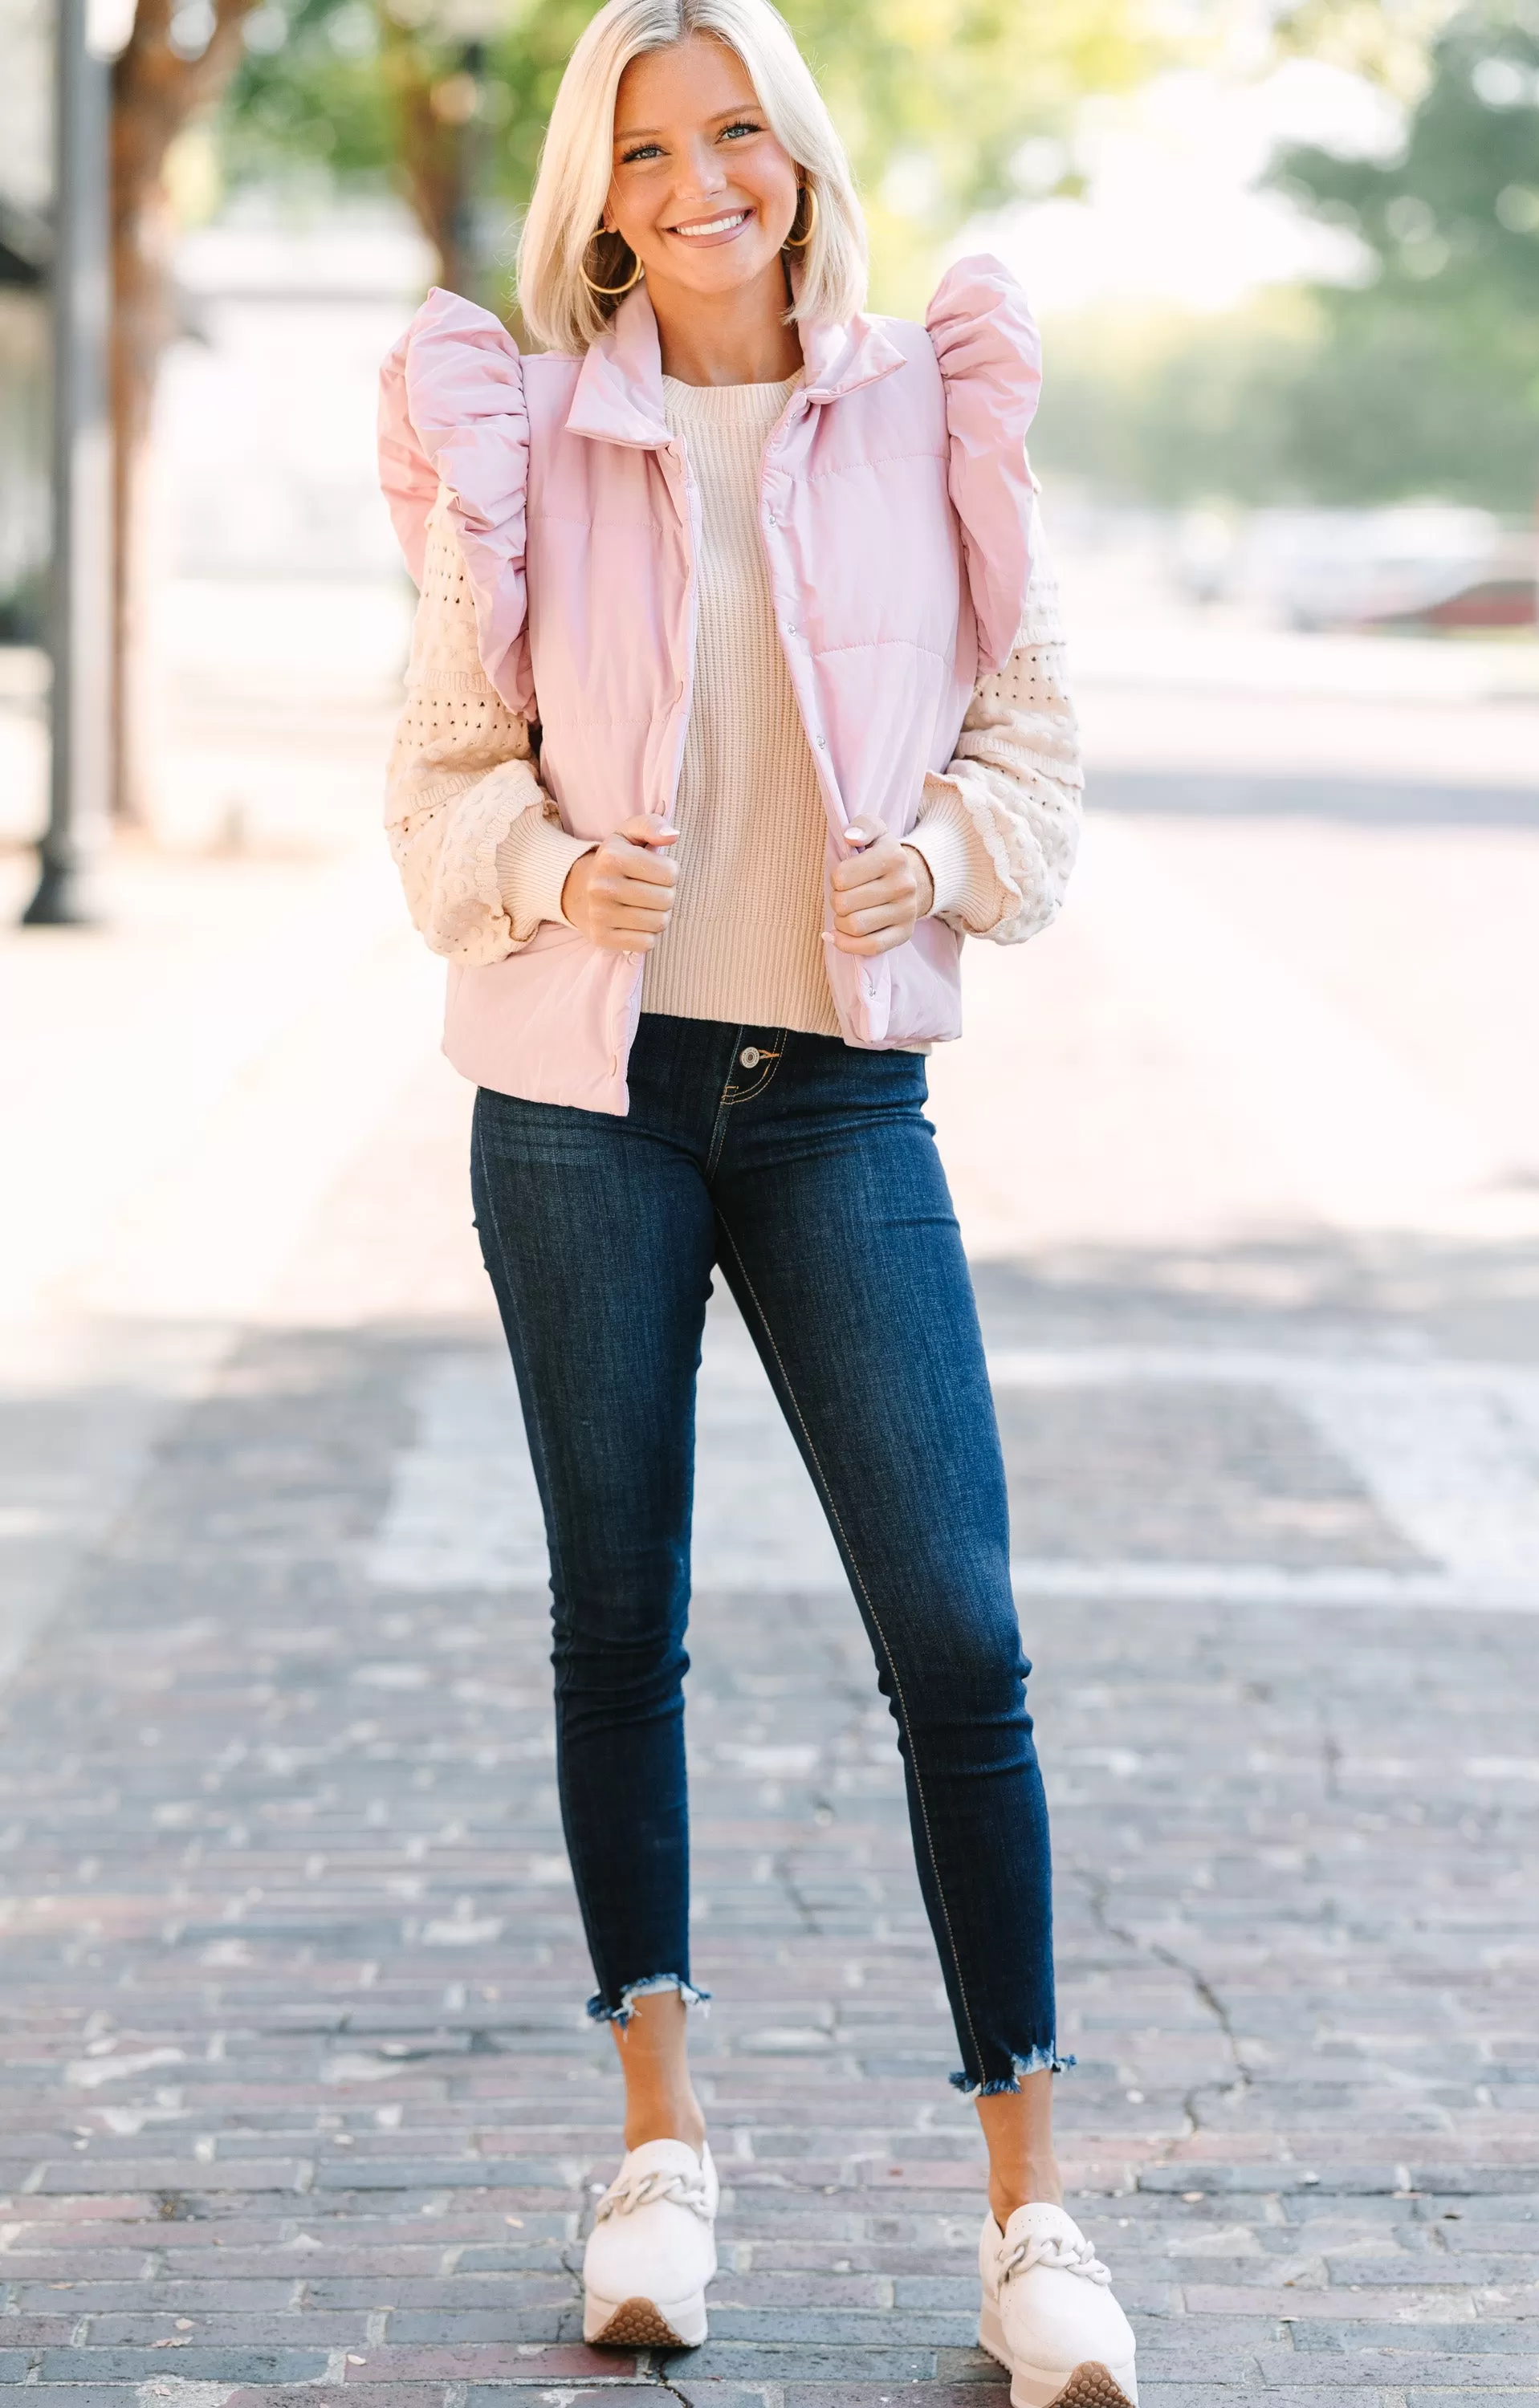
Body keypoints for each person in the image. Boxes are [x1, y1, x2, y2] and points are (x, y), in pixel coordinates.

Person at [377, 3, 1135, 2401]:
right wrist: (542, 859)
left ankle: (1034, 2215)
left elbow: (1036, 737)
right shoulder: (517, 431)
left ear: (797, 154)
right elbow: (430, 787)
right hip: (583, 1107)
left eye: (743, 134)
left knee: (962, 1632)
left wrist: (951, 856)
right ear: (601, 197)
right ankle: (657, 2153)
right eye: (655, 148)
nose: (707, 181)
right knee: (625, 1619)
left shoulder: (932, 401)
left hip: (835, 1107)